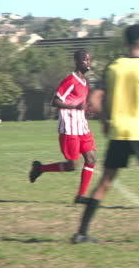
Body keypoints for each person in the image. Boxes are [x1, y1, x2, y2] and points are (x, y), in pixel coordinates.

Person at [71, 24, 139, 244]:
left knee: (105, 182)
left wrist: (105, 122)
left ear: (127, 42)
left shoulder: (114, 67)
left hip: (119, 132)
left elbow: (94, 100)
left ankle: (81, 233)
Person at [29, 49, 98, 204]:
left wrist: (87, 110)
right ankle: (40, 168)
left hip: (82, 126)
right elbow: (55, 101)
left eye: (89, 59)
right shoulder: (70, 81)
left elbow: (79, 103)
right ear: (77, 62)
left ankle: (80, 196)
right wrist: (74, 107)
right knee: (72, 166)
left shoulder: (85, 83)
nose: (89, 63)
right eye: (85, 60)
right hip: (69, 128)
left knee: (91, 158)